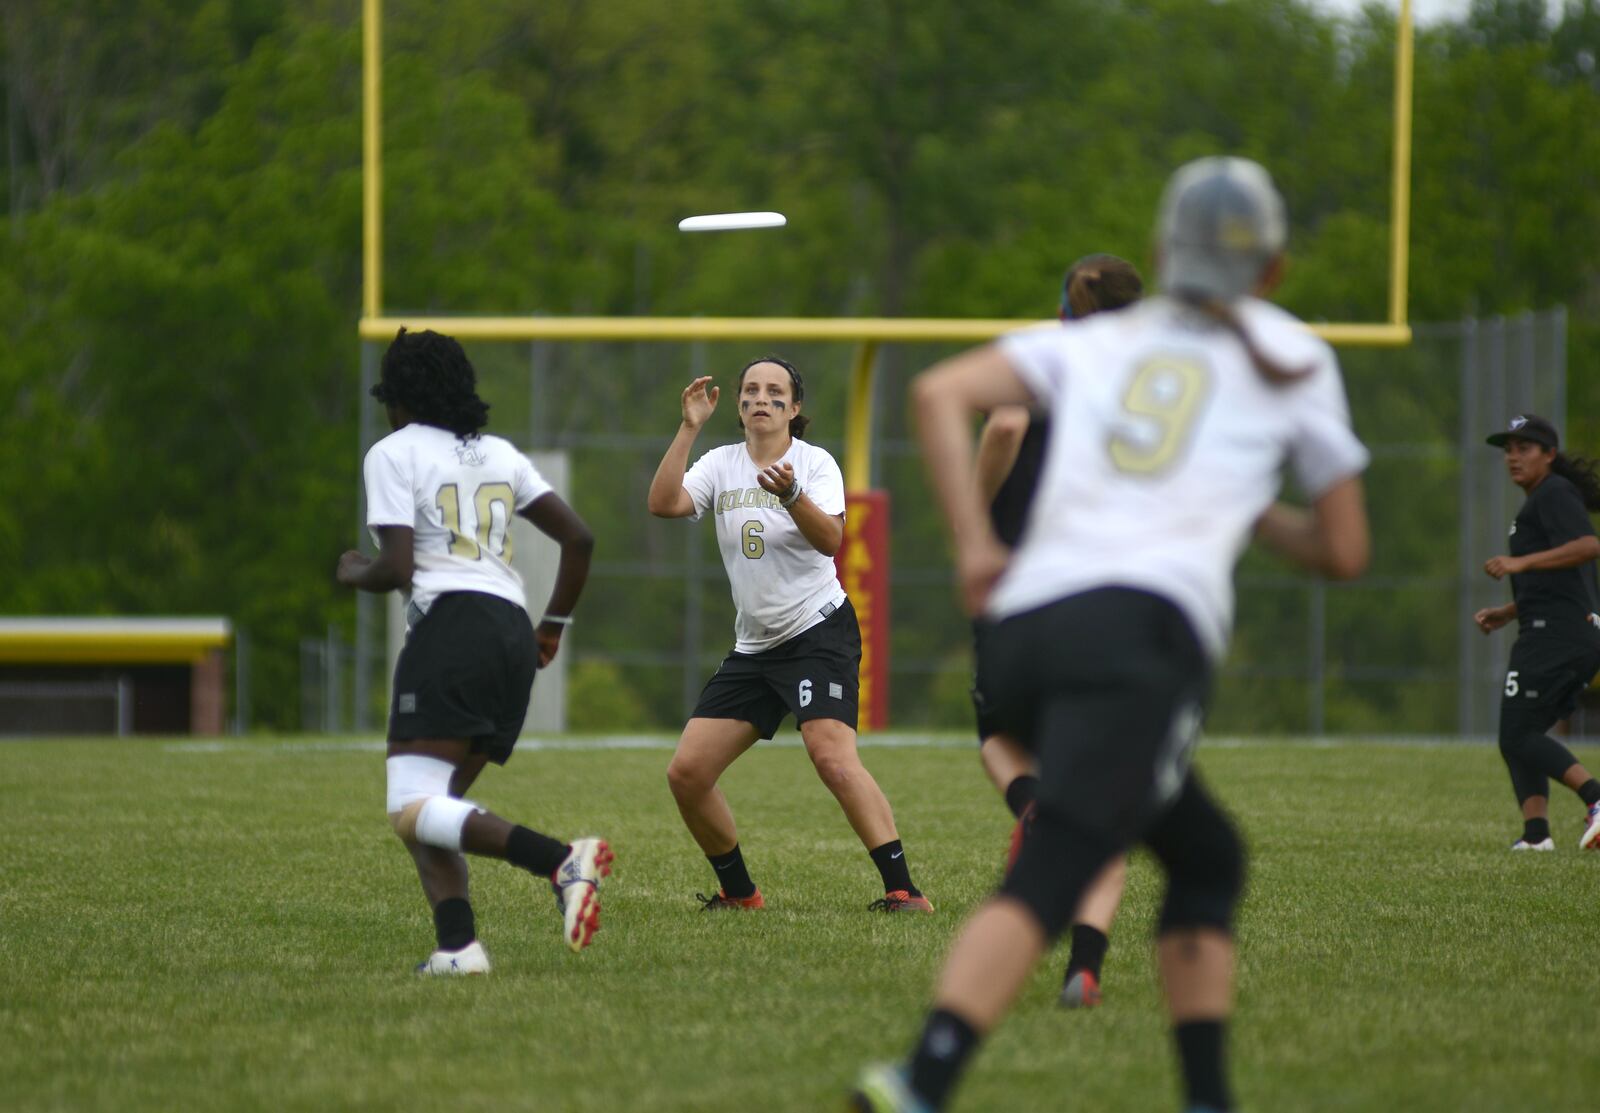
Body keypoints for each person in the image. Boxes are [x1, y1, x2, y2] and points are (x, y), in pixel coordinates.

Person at [853, 156, 1371, 1113]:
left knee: (1205, 853)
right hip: (1135, 637)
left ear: (1163, 252)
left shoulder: (1094, 343)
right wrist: (1254, 509)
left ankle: (1207, 1095)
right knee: (1065, 855)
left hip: (1022, 635)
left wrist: (973, 545)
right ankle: (919, 1079)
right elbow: (1343, 550)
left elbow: (938, 394)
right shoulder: (1290, 354)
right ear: (1274, 269)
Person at [336, 327, 611, 974]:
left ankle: (560, 859)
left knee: (414, 804)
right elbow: (580, 538)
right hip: (511, 632)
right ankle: (457, 948)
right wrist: (552, 626)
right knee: (432, 811)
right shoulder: (497, 452)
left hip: (451, 628)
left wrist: (353, 570)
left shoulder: (393, 451)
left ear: (396, 395)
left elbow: (399, 566)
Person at [647, 355, 931, 912]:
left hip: (816, 630)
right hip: (755, 646)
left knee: (831, 756)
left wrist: (792, 494)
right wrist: (688, 427)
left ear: (794, 408)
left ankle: (904, 890)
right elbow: (663, 503)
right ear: (738, 404)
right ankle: (740, 893)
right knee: (687, 773)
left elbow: (831, 541)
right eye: (750, 390)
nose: (761, 399)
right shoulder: (720, 463)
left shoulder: (815, 463)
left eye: (775, 392)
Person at [974, 253, 1144, 1008]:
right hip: (1113, 594)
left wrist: (975, 514)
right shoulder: (1156, 377)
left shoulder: (1047, 355)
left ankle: (1031, 806)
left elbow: (1007, 421)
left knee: (1000, 736)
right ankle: (1085, 966)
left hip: (1026, 587)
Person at [1473, 413, 1600, 852]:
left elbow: (1589, 545)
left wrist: (1519, 563)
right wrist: (1510, 611)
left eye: (1524, 448)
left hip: (1557, 636)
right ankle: (1536, 835)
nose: (1513, 457)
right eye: (1508, 449)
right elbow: (1561, 582)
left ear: (1550, 454)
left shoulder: (1554, 493)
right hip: (1553, 629)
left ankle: (1597, 798)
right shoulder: (1539, 500)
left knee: (1519, 734)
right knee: (1517, 733)